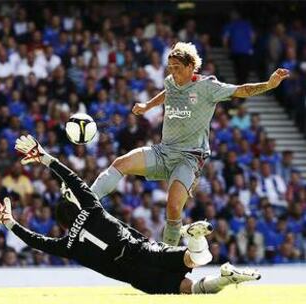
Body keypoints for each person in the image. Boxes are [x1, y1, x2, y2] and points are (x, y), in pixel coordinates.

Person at [0, 135, 260, 295]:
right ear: (75, 207)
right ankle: (195, 238)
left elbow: (35, 241)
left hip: (135, 276)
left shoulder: (68, 246)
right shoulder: (91, 209)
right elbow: (75, 180)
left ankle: (226, 278)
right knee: (198, 258)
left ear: (62, 223)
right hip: (142, 250)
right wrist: (45, 157)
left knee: (190, 289)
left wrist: (8, 222)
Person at [90, 41, 290, 246]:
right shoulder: (171, 82)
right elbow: (168, 93)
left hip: (189, 157)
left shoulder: (207, 86)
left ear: (190, 66)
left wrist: (268, 84)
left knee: (174, 208)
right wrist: (148, 105)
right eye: (170, 68)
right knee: (120, 163)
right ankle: (88, 200)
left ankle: (167, 254)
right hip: (163, 151)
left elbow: (242, 90)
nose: (173, 72)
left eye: (177, 68)